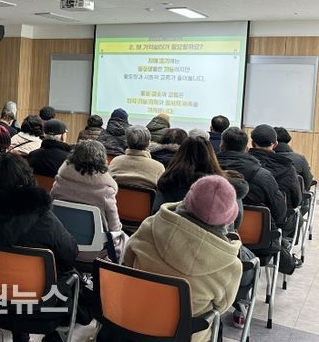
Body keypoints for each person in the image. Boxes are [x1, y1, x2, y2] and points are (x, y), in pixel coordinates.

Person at [0, 153, 77, 342]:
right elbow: (69, 253)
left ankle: (21, 334)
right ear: (27, 179)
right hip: (42, 308)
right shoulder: (43, 217)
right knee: (72, 277)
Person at [123, 175, 242, 342]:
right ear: (229, 218)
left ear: (187, 199)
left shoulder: (149, 226)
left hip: (131, 321)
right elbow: (222, 307)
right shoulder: (231, 266)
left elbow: (126, 263)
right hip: (185, 335)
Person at [51, 140, 122, 262]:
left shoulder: (58, 183)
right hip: (94, 253)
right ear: (103, 161)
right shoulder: (106, 191)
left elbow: (50, 213)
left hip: (61, 246)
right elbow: (115, 229)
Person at [216, 127, 287, 227]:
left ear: (221, 146)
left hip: (213, 231)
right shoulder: (263, 176)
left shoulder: (207, 170)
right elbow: (279, 213)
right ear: (246, 149)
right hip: (258, 234)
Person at [249, 124, 302, 210]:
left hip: (241, 216)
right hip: (279, 216)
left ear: (252, 143)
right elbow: (296, 201)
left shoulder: (243, 163)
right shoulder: (288, 167)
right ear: (275, 144)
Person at [108, 125, 165, 190]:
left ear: (127, 142)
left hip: (117, 196)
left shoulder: (115, 161)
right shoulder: (158, 168)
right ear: (149, 143)